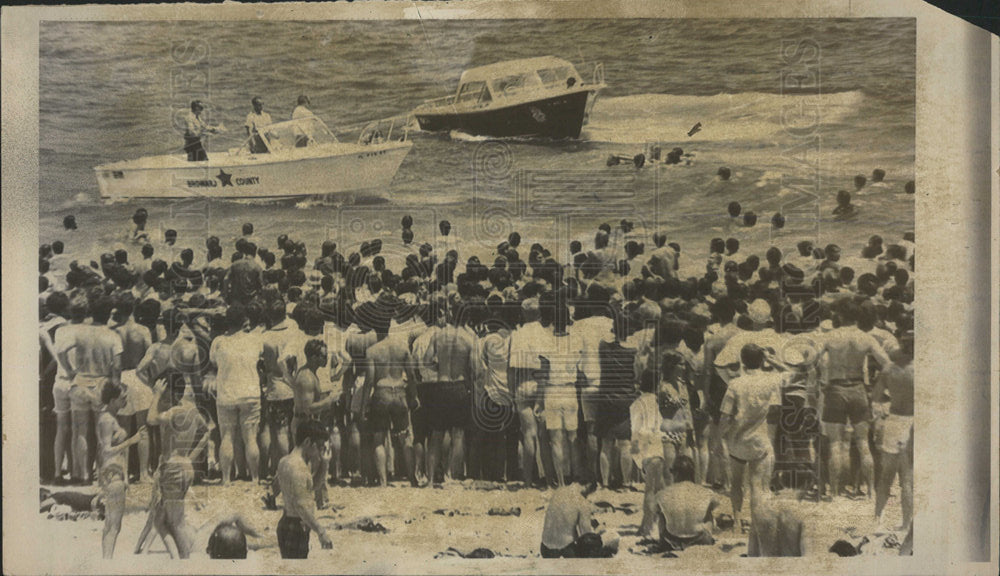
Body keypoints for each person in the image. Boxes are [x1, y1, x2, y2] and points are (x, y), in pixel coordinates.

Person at [719, 344, 783, 531]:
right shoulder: (771, 382)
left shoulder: (735, 384)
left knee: (736, 482)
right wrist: (770, 359)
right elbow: (776, 408)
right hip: (759, 438)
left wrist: (719, 438)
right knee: (757, 484)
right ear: (762, 360)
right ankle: (756, 523)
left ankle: (737, 521)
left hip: (737, 439)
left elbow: (725, 415)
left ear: (742, 360)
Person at [60, 295, 123, 484]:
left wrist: (70, 371)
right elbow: (117, 365)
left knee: (80, 431)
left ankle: (82, 475)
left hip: (80, 382)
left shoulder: (81, 332)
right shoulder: (112, 335)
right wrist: (115, 385)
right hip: (101, 384)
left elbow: (62, 351)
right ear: (108, 313)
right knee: (102, 432)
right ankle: (103, 475)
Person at [208, 304, 262, 483]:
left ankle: (226, 479)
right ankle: (254, 478)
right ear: (243, 321)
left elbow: (214, 363)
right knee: (250, 438)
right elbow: (259, 356)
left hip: (226, 393)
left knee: (227, 436)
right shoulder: (254, 339)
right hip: (250, 392)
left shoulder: (218, 342)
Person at [362, 316, 417, 487]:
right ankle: (412, 478)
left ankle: (383, 481)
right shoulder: (402, 347)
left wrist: (365, 403)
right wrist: (414, 396)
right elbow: (412, 375)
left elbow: (370, 380)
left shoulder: (372, 351)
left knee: (379, 438)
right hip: (399, 390)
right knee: (405, 437)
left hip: (382, 391)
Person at [96, 381, 145, 558]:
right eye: (123, 398)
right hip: (112, 473)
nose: (126, 401)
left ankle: (106, 561)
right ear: (113, 399)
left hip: (114, 474)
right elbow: (106, 450)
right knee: (113, 525)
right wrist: (132, 441)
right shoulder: (107, 420)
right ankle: (107, 562)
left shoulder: (108, 417)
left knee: (113, 525)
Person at [273, 419, 334, 558]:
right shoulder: (298, 468)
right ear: (307, 442)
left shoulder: (286, 461)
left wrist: (324, 464)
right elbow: (300, 505)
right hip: (295, 526)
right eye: (318, 446)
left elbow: (311, 487)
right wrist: (321, 532)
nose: (319, 451)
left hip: (289, 523)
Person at [872, 332, 913, 531]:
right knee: (907, 478)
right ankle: (906, 524)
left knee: (886, 475)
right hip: (914, 421)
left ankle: (878, 520)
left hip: (895, 420)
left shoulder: (889, 369)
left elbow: (876, 396)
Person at [649, 456, 722, 551]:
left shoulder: (663, 493)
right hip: (700, 540)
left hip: (670, 540)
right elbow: (716, 504)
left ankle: (663, 542)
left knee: (661, 514)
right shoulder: (706, 492)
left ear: (676, 473)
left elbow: (653, 509)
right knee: (708, 512)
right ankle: (707, 540)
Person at [540, 483, 618, 558]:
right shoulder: (583, 504)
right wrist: (599, 531)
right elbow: (586, 536)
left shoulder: (562, 495)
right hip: (564, 548)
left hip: (545, 548)